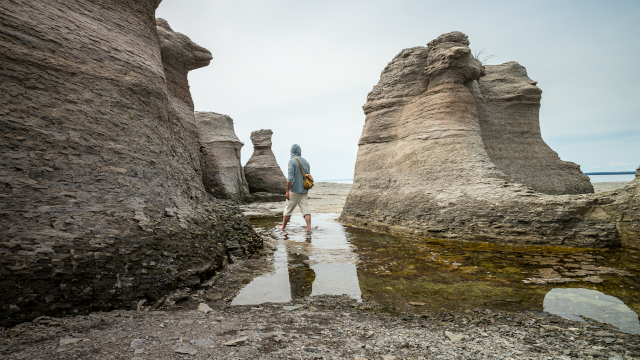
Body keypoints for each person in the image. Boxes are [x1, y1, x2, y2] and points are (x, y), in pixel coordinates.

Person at [277, 144, 311, 231]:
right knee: (306, 210)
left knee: (288, 210)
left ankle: (283, 227)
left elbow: (290, 177)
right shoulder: (306, 162)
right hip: (304, 190)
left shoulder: (292, 161)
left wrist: (287, 191)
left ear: (291, 151)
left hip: (294, 191)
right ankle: (309, 228)